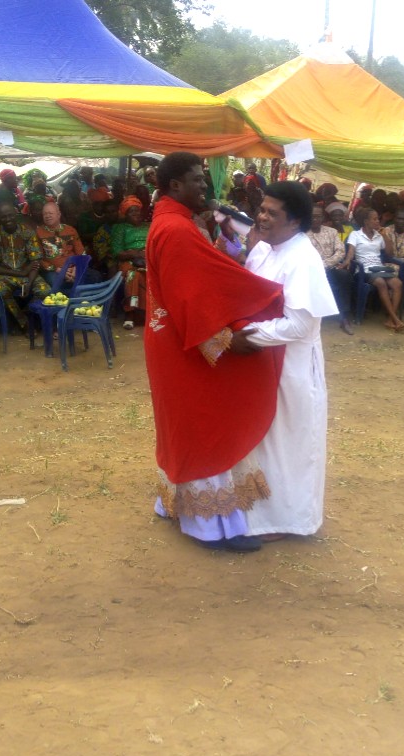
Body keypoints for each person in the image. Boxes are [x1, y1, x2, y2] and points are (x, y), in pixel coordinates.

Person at [145, 151, 286, 553]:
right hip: (187, 341)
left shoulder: (172, 221)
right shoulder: (176, 228)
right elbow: (190, 296)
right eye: (197, 179)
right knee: (204, 424)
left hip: (171, 338)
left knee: (186, 424)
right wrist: (225, 336)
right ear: (175, 185)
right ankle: (209, 527)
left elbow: (197, 282)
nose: (205, 186)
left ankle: (178, 505)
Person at [231, 180, 338, 540]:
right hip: (261, 362)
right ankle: (258, 514)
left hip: (291, 368)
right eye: (261, 209)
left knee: (288, 444)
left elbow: (300, 325)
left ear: (294, 222)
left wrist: (245, 336)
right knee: (261, 441)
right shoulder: (264, 248)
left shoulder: (303, 259)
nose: (261, 217)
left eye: (271, 213)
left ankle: (287, 521)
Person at [0, 202, 48, 331]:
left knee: (45, 291)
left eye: (10, 215)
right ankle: (24, 323)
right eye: (3, 217)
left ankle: (25, 314)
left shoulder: (27, 231)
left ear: (16, 214)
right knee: (1, 289)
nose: (8, 219)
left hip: (28, 274)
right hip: (4, 275)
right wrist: (20, 273)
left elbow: (36, 260)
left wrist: (29, 282)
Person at [344, 209, 404, 331]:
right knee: (381, 283)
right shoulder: (355, 234)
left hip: (379, 268)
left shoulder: (379, 235)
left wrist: (384, 235)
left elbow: (390, 253)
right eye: (375, 219)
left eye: (378, 219)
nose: (378, 221)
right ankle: (395, 318)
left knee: (398, 284)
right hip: (364, 270)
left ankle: (390, 319)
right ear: (366, 221)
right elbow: (351, 252)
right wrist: (347, 261)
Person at [306, 204, 353, 335]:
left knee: (344, 275)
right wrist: (317, 267)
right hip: (311, 270)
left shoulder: (332, 232)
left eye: (318, 217)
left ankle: (344, 317)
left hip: (330, 267)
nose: (315, 219)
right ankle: (310, 318)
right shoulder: (302, 234)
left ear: (323, 218)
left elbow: (340, 251)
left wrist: (325, 264)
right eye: (312, 217)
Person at [111, 195, 149, 329]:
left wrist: (146, 254)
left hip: (149, 259)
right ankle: (130, 314)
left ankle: (150, 313)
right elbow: (117, 252)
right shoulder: (120, 228)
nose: (136, 214)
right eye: (132, 212)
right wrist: (136, 254)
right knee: (134, 275)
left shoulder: (149, 226)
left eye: (138, 210)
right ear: (125, 215)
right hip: (129, 261)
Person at [35, 201, 85, 284]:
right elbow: (38, 258)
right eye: (45, 214)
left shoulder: (70, 230)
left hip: (73, 268)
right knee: (54, 281)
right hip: (53, 270)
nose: (47, 216)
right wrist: (57, 270)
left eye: (50, 213)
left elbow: (81, 253)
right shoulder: (38, 232)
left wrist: (76, 268)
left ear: (59, 215)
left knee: (94, 276)